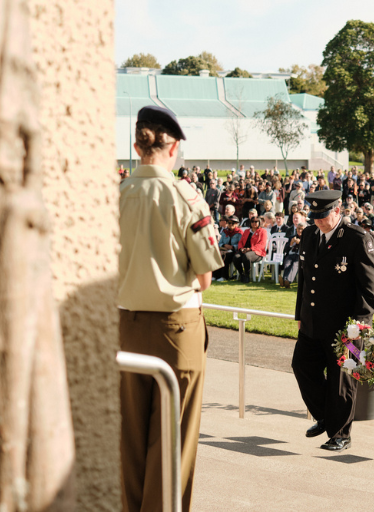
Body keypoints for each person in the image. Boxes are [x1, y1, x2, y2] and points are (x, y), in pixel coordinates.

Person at [118, 106, 223, 512]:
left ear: (137, 146)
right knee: (173, 446)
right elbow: (205, 277)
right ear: (174, 147)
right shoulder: (186, 197)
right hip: (176, 331)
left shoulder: (118, 194)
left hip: (127, 325)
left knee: (130, 442)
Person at [292, 190, 374, 452]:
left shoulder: (357, 238)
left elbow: (369, 287)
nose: (318, 222)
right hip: (312, 322)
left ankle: (341, 434)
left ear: (338, 211)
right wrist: (300, 313)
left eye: (323, 216)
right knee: (302, 367)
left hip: (345, 327)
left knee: (342, 382)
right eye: (314, 216)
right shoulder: (308, 235)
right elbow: (305, 280)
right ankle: (325, 417)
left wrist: (360, 325)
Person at [233, 217, 268, 283]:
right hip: (245, 250)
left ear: (259, 222)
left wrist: (250, 249)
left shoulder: (263, 231)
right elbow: (240, 242)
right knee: (236, 257)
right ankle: (241, 274)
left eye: (256, 222)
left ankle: (247, 274)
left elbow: (262, 244)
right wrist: (240, 248)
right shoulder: (246, 231)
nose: (254, 223)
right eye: (252, 222)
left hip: (257, 252)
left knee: (247, 256)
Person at [279, 222, 306, 288]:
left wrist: (300, 243)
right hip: (291, 254)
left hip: (300, 256)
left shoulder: (306, 238)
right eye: (298, 229)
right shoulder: (292, 237)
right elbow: (286, 248)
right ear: (296, 229)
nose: (300, 230)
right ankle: (285, 281)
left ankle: (288, 281)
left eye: (301, 229)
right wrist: (291, 243)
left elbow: (307, 249)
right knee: (287, 263)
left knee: (295, 265)